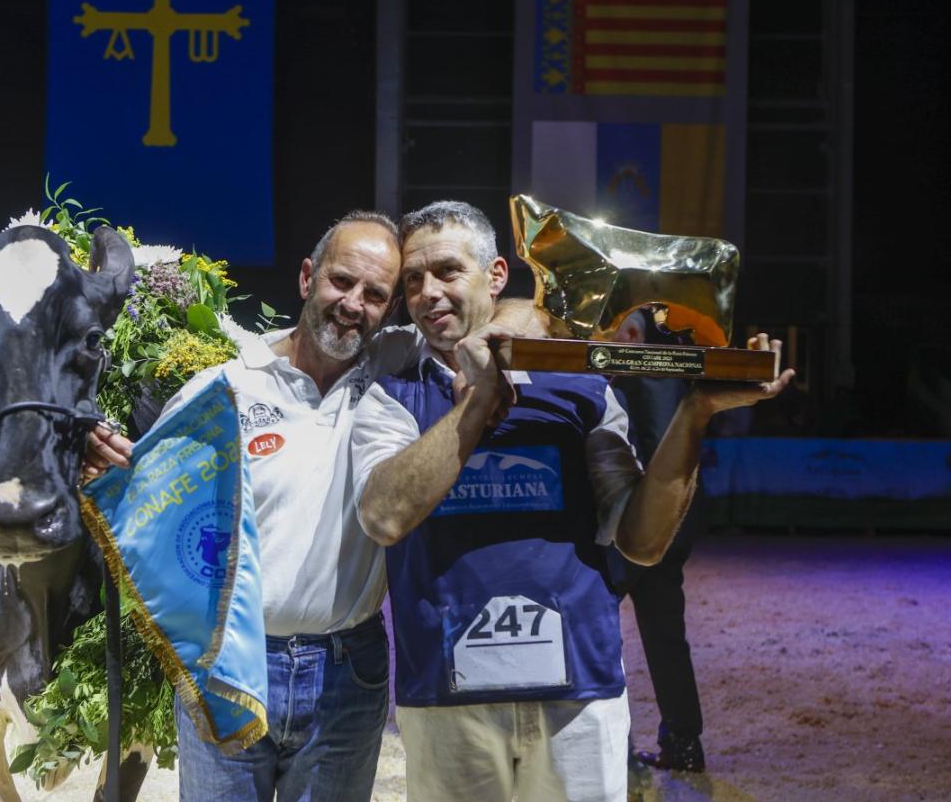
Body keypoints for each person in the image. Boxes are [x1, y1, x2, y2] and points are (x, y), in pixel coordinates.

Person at [351, 201, 793, 802]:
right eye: (413, 280)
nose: (428, 292)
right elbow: (384, 516)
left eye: (448, 271)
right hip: (444, 697)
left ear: (497, 276)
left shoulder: (582, 390)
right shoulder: (392, 398)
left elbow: (641, 541)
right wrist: (475, 404)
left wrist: (696, 412)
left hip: (578, 693)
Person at [86, 210, 415, 802]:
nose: (353, 303)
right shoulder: (224, 390)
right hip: (230, 663)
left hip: (347, 673)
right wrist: (100, 464)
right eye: (342, 281)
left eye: (375, 294)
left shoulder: (388, 407)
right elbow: (152, 505)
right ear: (308, 277)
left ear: (388, 310)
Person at [608, 308, 708, 774]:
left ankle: (616, 751)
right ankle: (684, 744)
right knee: (668, 638)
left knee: (602, 636)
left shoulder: (619, 362)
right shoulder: (677, 364)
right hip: (671, 526)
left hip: (618, 524)